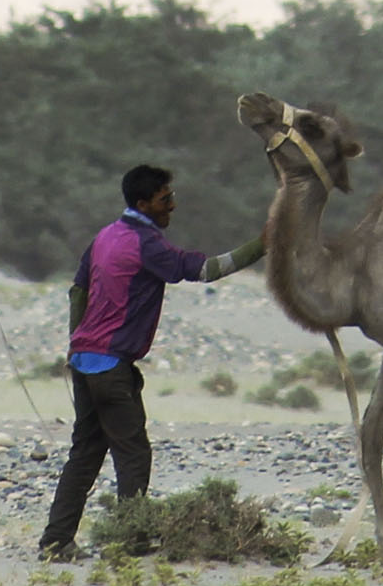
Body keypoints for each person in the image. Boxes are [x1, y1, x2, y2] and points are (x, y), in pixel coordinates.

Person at [37, 164, 266, 558]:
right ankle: (131, 541)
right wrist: (265, 243)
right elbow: (207, 270)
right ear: (143, 203)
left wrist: (76, 345)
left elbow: (78, 290)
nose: (172, 206)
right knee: (134, 454)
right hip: (111, 367)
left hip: (84, 362)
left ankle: (56, 541)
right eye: (165, 199)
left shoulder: (104, 237)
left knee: (85, 454)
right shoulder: (147, 244)